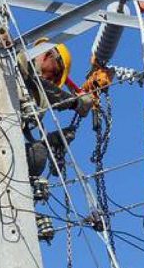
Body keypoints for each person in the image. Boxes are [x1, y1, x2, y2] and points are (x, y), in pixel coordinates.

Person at [16, 41, 93, 178]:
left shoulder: (30, 96)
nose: (52, 80)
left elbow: (23, 130)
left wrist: (50, 141)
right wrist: (75, 103)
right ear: (49, 54)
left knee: (37, 155)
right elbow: (44, 86)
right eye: (55, 73)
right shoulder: (15, 60)